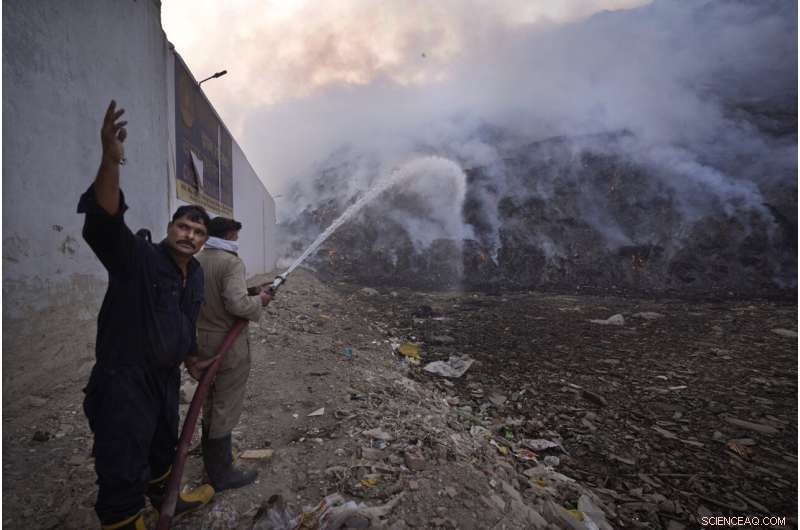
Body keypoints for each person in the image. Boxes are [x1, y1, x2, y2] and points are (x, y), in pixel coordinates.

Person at [78, 100, 216, 529]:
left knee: (162, 447)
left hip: (164, 378)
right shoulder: (135, 257)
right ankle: (123, 519)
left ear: (203, 242)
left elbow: (184, 322)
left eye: (197, 232)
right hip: (124, 380)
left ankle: (165, 498)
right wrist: (110, 159)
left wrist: (192, 357)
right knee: (122, 458)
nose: (189, 235)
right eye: (183, 227)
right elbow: (104, 220)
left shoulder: (194, 275)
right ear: (169, 228)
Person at [196, 216, 272, 490]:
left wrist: (250, 291)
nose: (237, 241)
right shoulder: (231, 261)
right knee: (226, 402)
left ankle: (208, 454)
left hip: (203, 340)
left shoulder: (200, 258)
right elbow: (237, 305)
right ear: (229, 235)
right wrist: (260, 300)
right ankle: (221, 473)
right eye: (236, 236)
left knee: (209, 397)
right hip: (226, 346)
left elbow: (214, 294)